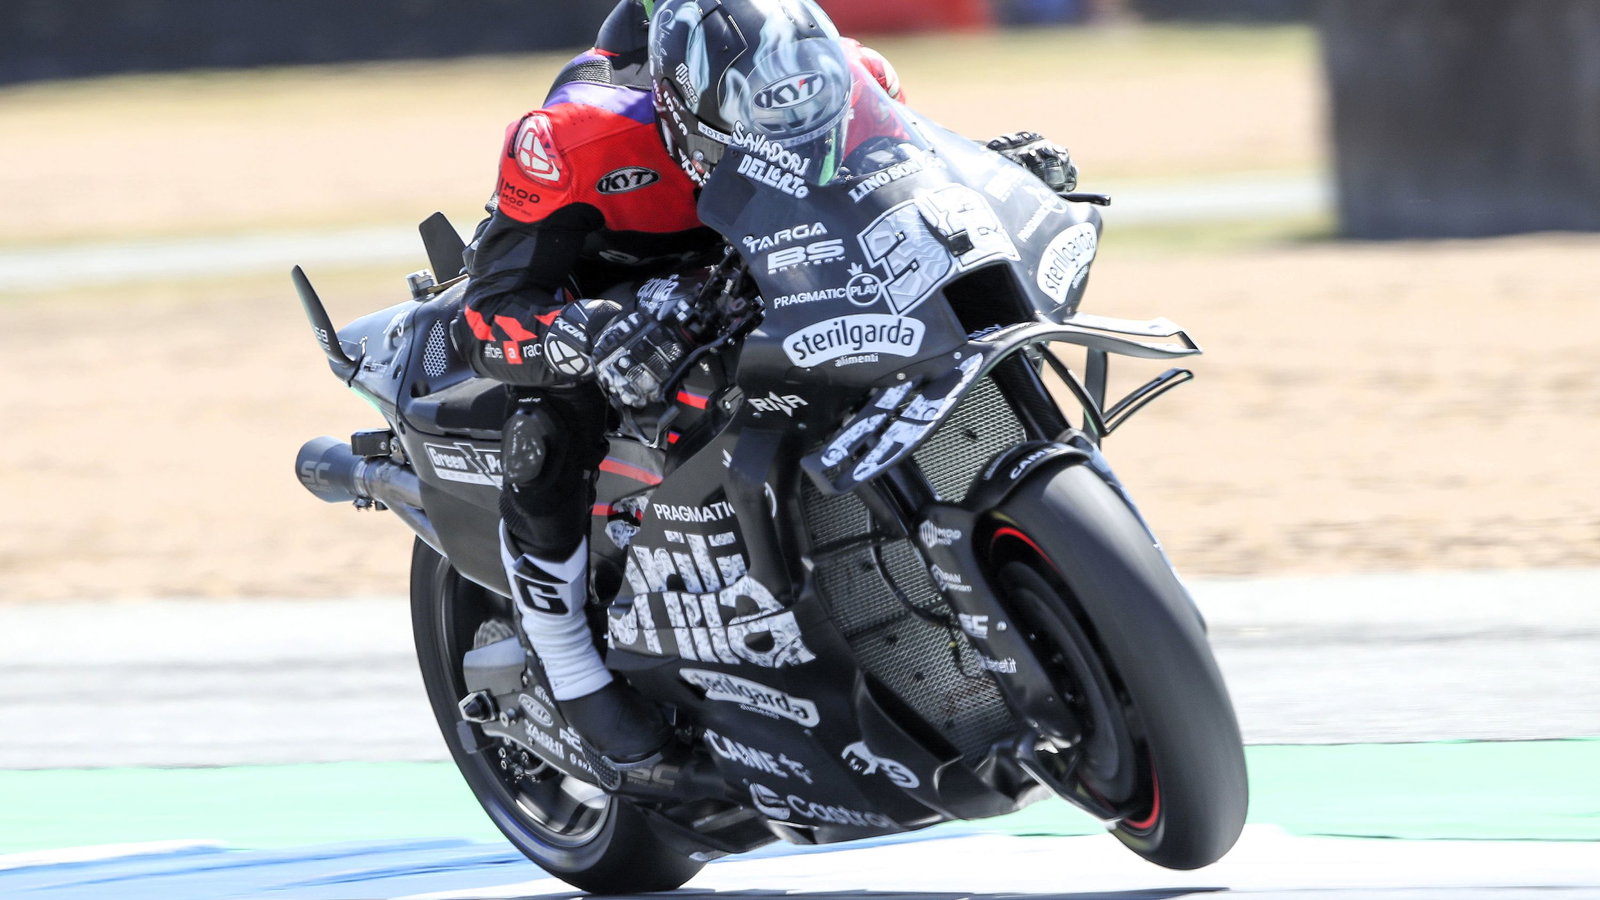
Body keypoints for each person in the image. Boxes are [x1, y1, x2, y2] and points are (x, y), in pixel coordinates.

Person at [453, 0, 1076, 767]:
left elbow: (899, 187)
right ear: (675, 106)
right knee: (546, 429)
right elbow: (489, 314)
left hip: (767, 261)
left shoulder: (857, 75)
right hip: (616, 288)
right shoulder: (574, 134)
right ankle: (571, 668)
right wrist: (581, 332)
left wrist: (996, 171)